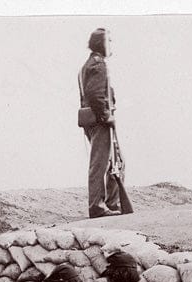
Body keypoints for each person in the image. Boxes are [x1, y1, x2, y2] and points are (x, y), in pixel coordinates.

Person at [80, 28, 120, 218]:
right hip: (100, 122)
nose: (111, 44)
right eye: (109, 41)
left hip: (93, 121)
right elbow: (95, 94)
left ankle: (111, 204)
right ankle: (98, 206)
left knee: (112, 161)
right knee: (101, 164)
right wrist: (106, 116)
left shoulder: (89, 64)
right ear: (101, 43)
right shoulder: (98, 64)